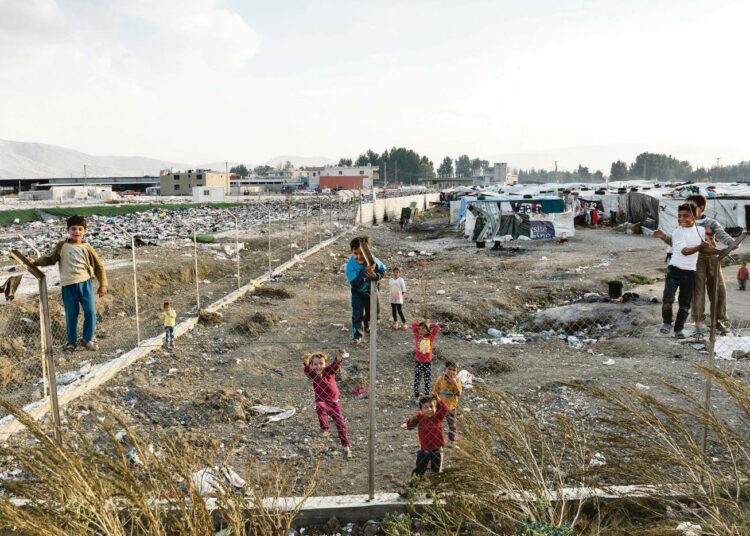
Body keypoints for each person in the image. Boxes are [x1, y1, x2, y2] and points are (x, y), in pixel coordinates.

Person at [655, 194, 735, 336]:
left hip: (712, 259)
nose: (687, 210)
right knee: (697, 293)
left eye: (692, 207)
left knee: (718, 290)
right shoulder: (684, 222)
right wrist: (663, 236)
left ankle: (719, 321)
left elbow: (723, 235)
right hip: (695, 261)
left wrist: (732, 243)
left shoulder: (711, 223)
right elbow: (675, 242)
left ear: (701, 209)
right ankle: (698, 323)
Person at [30, 215, 107, 352]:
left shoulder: (87, 247)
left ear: (85, 231)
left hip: (85, 284)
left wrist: (103, 285)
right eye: (73, 229)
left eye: (80, 229)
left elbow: (99, 266)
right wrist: (36, 262)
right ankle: (71, 342)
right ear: (68, 230)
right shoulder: (62, 245)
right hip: (68, 286)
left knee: (90, 312)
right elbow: (50, 259)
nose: (76, 232)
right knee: (71, 315)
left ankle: (87, 339)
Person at [303, 349, 352, 460]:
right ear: (312, 365)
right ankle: (325, 429)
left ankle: (346, 447)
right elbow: (307, 371)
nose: (318, 366)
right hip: (322, 402)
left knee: (341, 425)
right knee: (319, 406)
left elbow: (335, 365)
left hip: (334, 404)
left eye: (321, 363)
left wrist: (339, 356)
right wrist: (306, 362)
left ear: (325, 364)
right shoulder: (313, 375)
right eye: (315, 364)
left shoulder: (328, 371)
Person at [345, 236, 386, 344]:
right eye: (355, 253)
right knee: (357, 314)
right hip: (357, 292)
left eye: (361, 253)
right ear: (352, 252)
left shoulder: (373, 260)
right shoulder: (351, 265)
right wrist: (365, 272)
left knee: (370, 312)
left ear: (368, 251)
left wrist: (376, 275)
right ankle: (357, 335)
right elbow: (355, 283)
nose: (358, 256)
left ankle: (367, 323)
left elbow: (382, 271)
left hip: (371, 290)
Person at [401, 395, 449, 480]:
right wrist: (407, 424)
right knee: (419, 470)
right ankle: (413, 488)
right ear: (421, 409)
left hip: (437, 450)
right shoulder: (420, 417)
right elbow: (412, 422)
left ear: (436, 407)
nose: (429, 410)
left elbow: (445, 409)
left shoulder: (437, 417)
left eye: (431, 406)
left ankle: (434, 491)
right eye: (425, 407)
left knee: (436, 472)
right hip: (424, 450)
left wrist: (439, 400)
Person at [432, 361, 462, 444]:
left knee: (452, 424)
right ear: (445, 369)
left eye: (454, 370)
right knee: (437, 423)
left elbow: (458, 394)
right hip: (440, 405)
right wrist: (436, 400)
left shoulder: (457, 380)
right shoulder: (440, 379)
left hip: (451, 406)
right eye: (449, 369)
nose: (451, 371)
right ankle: (436, 440)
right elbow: (435, 391)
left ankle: (452, 440)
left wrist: (454, 383)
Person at [412, 320, 441, 401]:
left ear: (427, 330)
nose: (420, 330)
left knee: (427, 380)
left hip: (427, 363)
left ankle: (427, 395)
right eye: (419, 329)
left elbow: (437, 327)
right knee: (417, 379)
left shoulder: (430, 336)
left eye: (422, 329)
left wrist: (429, 325)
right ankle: (416, 396)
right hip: (418, 362)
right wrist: (421, 325)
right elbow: (414, 324)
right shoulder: (417, 335)